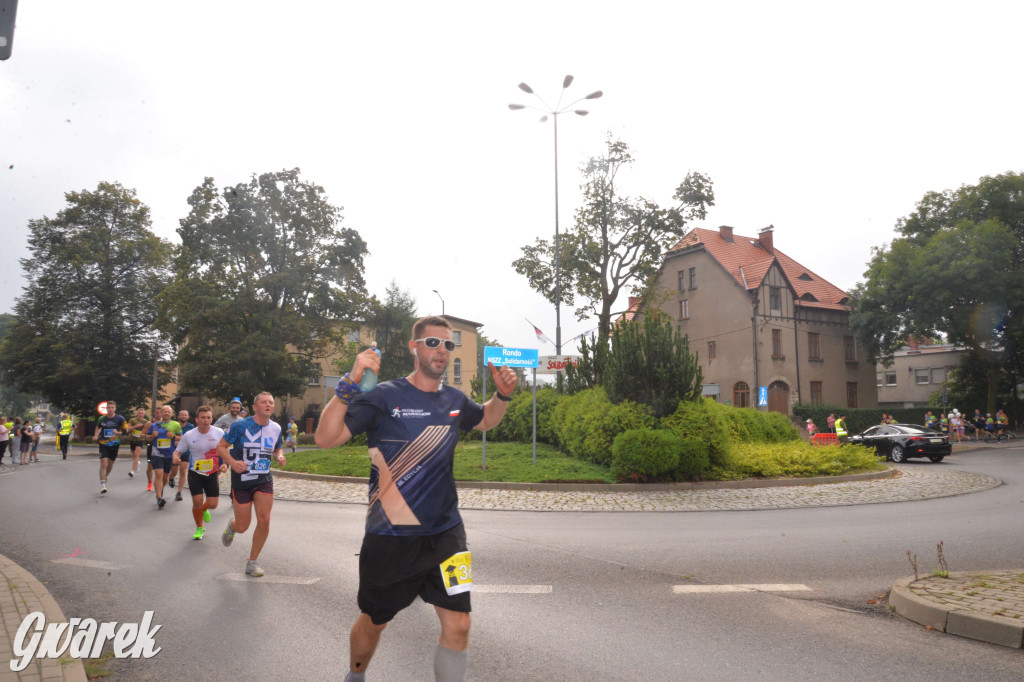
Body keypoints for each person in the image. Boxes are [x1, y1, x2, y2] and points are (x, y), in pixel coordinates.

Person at [315, 316, 518, 682]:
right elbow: (326, 439)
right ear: (414, 347)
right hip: (390, 537)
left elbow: (486, 420)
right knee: (375, 622)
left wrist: (501, 396)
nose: (441, 350)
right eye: (432, 343)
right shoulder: (383, 396)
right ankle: (355, 675)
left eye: (448, 345)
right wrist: (348, 384)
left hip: (446, 534)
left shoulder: (454, 399)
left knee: (460, 624)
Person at [218, 392, 286, 578]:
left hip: (263, 479)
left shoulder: (276, 428)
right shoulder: (240, 426)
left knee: (264, 519)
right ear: (255, 407)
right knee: (243, 526)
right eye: (264, 402)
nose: (268, 405)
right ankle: (232, 527)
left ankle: (252, 561)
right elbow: (221, 447)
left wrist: (279, 456)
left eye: (271, 402)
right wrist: (233, 463)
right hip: (242, 480)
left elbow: (277, 448)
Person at [173, 406, 227, 540]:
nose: (206, 420)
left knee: (213, 504)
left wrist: (225, 463)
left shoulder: (219, 432)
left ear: (212, 419)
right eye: (203, 417)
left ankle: (204, 509)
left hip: (212, 472)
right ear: (197, 419)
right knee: (197, 501)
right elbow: (178, 451)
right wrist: (176, 457)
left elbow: (225, 449)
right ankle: (199, 527)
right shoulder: (189, 435)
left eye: (208, 417)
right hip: (195, 472)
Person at [146, 405, 181, 508]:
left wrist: (173, 437)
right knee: (159, 474)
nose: (166, 413)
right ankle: (159, 497)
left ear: (171, 414)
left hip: (169, 454)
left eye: (168, 412)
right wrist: (153, 436)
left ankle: (160, 489)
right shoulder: (154, 425)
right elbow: (147, 438)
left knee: (165, 477)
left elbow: (182, 437)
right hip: (157, 453)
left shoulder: (176, 425)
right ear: (161, 413)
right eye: (164, 412)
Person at [92, 402, 126, 493]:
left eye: (112, 407)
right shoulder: (102, 418)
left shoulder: (120, 418)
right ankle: (103, 485)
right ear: (106, 409)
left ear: (115, 408)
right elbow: (98, 427)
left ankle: (106, 476)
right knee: (104, 463)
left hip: (114, 444)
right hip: (103, 443)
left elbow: (125, 429)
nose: (110, 409)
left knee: (110, 464)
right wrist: (96, 435)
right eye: (109, 408)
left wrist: (118, 433)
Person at [168, 409, 195, 501]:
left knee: (183, 470)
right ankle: (171, 477)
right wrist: (175, 441)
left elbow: (191, 438)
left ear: (188, 417)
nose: (184, 416)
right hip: (175, 451)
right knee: (174, 471)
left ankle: (179, 492)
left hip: (186, 452)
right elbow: (169, 437)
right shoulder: (174, 425)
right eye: (182, 415)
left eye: (185, 415)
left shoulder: (191, 427)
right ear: (178, 416)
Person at [126, 407, 148, 480]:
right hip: (132, 440)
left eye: (142, 413)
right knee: (134, 455)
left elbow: (148, 431)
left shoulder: (146, 422)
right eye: (139, 413)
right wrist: (135, 426)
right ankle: (137, 463)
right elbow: (128, 429)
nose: (140, 415)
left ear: (144, 414)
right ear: (137, 414)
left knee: (136, 454)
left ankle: (132, 471)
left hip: (140, 440)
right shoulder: (132, 420)